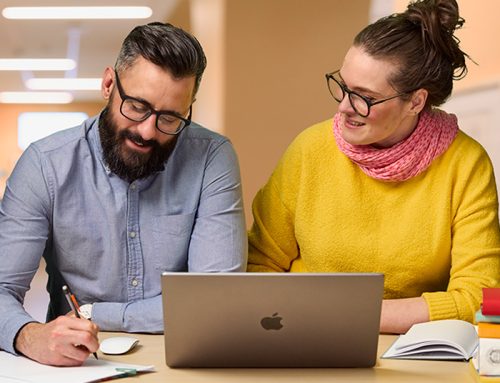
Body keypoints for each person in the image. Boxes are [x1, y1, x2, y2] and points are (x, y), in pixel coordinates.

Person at [0, 22, 247, 366]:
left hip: (183, 360)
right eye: (137, 106)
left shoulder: (211, 157)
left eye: (170, 118)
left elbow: (216, 300)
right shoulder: (45, 165)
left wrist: (94, 312)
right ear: (108, 85)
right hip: (79, 364)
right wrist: (27, 334)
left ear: (188, 110)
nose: (147, 131)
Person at [247, 0, 500, 334]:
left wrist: (346, 316)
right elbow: (259, 265)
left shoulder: (466, 164)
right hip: (303, 336)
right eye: (343, 87)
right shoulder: (309, 150)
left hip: (413, 352)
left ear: (416, 101)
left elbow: (480, 298)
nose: (343, 107)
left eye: (364, 97)